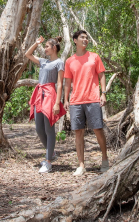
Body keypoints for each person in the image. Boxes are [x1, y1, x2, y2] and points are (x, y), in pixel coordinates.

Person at [64, 30, 109, 176]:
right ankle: (81, 165)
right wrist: (65, 99)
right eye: (82, 37)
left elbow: (101, 74)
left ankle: (105, 160)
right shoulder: (70, 61)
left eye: (86, 38)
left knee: (98, 129)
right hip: (76, 101)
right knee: (78, 132)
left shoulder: (94, 57)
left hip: (93, 98)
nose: (85, 40)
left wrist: (103, 93)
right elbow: (67, 82)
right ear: (75, 40)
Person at [25, 36, 66, 174]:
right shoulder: (43, 61)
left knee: (49, 129)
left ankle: (48, 162)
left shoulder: (59, 63)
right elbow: (27, 54)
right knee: (39, 128)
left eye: (47, 46)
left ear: (54, 48)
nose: (45, 49)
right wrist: (36, 43)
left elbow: (60, 84)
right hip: (39, 95)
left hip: (50, 95)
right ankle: (51, 153)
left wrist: (57, 103)